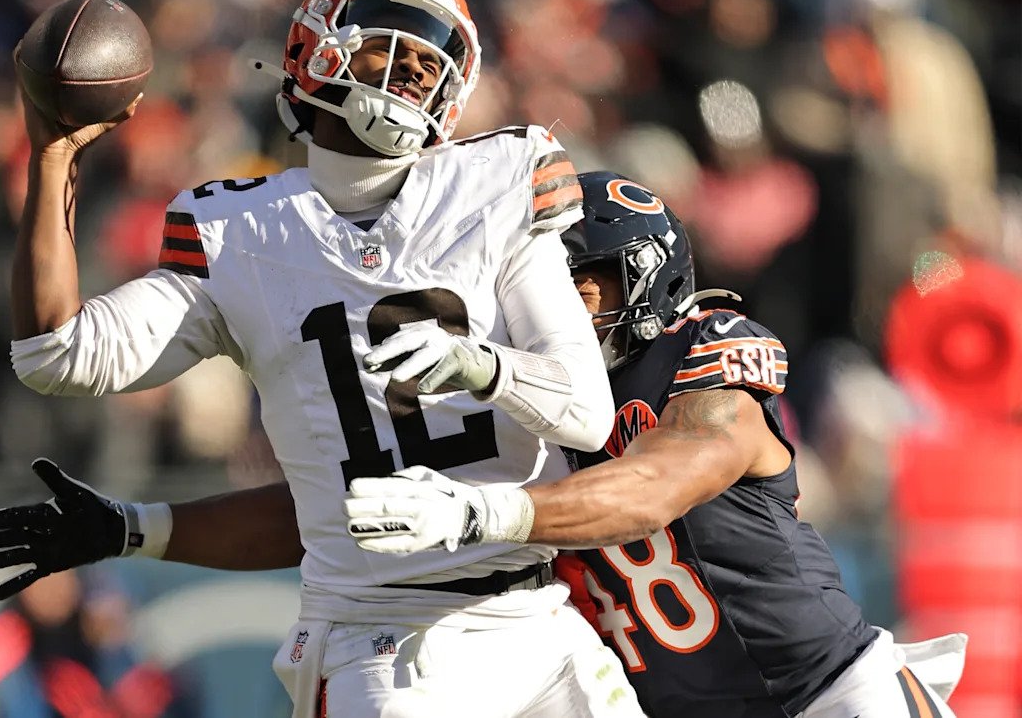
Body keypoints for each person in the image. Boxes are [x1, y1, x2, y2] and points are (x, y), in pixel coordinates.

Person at [0, 0, 641, 718]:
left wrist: (480, 366)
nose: (414, 70)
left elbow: (585, 411)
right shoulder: (239, 231)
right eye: (390, 43)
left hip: (538, 621)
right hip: (382, 642)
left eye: (432, 61)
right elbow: (56, 353)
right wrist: (53, 155)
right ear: (315, 51)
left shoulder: (499, 181)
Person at [343, 172, 968, 717]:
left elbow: (655, 488)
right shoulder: (518, 406)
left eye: (575, 286)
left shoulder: (701, 352)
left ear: (646, 277)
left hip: (831, 695)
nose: (550, 314)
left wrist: (478, 513)